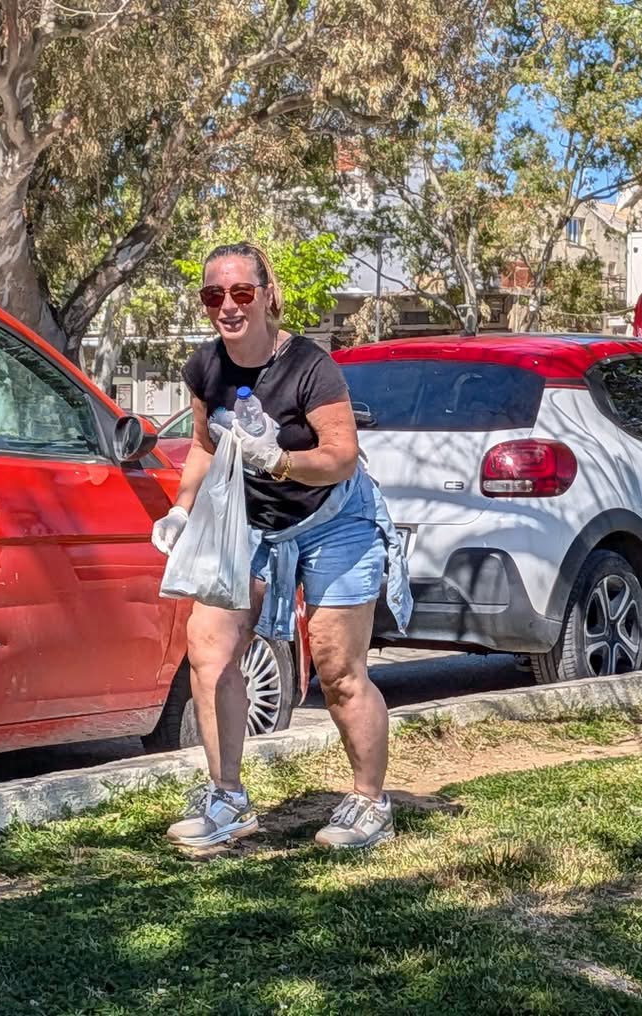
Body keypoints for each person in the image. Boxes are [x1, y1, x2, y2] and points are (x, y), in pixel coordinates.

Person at [151, 241, 410, 851]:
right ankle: (226, 798)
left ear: (268, 296)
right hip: (252, 524)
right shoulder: (205, 367)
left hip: (334, 518)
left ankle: (370, 802)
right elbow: (204, 447)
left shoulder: (310, 366)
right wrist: (182, 509)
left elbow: (341, 456)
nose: (228, 306)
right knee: (209, 648)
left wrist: (281, 461)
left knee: (338, 668)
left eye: (242, 292)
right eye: (214, 295)